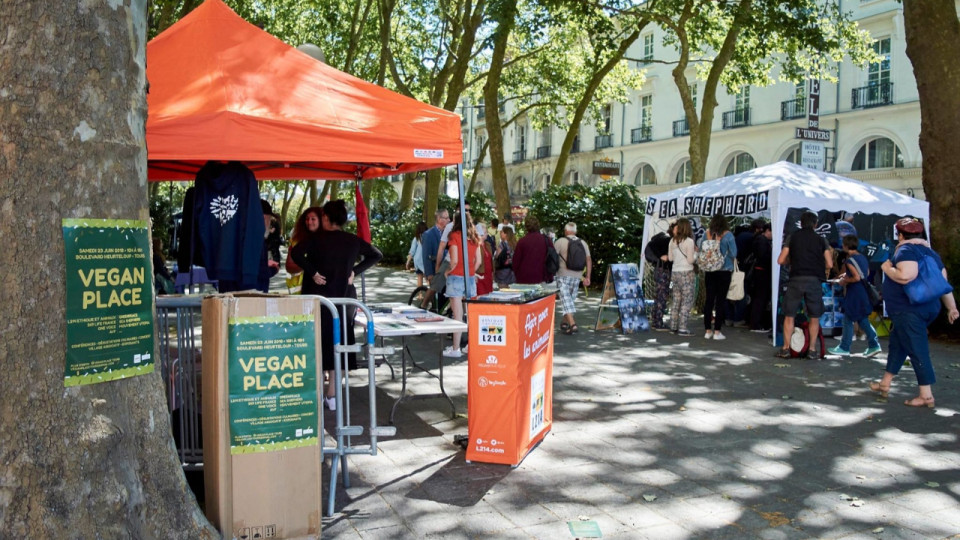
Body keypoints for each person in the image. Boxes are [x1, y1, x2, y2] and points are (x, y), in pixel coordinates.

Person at [290, 200, 383, 411]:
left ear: (325, 218)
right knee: (340, 343)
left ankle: (320, 392)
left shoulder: (316, 239)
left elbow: (296, 254)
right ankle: (333, 394)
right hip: (344, 297)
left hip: (320, 298)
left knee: (319, 343)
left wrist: (312, 271)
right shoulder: (352, 240)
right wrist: (354, 272)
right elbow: (376, 255)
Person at [869, 217, 959, 408]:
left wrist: (888, 268)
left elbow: (905, 275)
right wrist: (952, 307)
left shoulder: (906, 250)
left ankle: (926, 395)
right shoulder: (931, 253)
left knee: (917, 349)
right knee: (898, 343)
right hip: (926, 308)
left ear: (900, 235)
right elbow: (943, 284)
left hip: (908, 310)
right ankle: (885, 383)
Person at [775, 211, 833, 359]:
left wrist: (791, 261)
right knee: (814, 316)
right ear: (816, 224)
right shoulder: (821, 240)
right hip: (814, 280)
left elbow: (780, 260)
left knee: (789, 315)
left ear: (800, 223)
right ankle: (812, 350)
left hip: (796, 279)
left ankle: (786, 349)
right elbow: (830, 264)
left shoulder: (792, 237)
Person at [828, 235, 882, 357]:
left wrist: (844, 281)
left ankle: (844, 347)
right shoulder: (862, 257)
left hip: (855, 292)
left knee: (848, 318)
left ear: (846, 246)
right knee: (862, 319)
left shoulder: (849, 260)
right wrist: (847, 276)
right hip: (863, 291)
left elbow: (856, 277)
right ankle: (873, 344)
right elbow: (865, 273)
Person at [442, 212, 481, 358]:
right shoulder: (474, 237)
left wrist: (447, 271)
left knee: (457, 315)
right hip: (470, 278)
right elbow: (478, 261)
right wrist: (471, 271)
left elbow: (454, 261)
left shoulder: (454, 236)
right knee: (470, 315)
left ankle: (456, 348)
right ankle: (471, 346)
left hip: (456, 278)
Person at [702, 213, 737, 340]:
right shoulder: (728, 236)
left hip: (710, 270)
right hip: (724, 271)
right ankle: (717, 331)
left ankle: (707, 330)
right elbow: (734, 253)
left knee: (709, 300)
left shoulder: (706, 234)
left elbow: (701, 248)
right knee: (720, 301)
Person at [554, 222, 592, 335]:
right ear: (575, 231)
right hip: (577, 276)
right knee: (569, 300)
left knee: (566, 300)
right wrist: (588, 277)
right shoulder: (583, 243)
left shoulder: (560, 241)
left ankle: (573, 324)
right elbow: (589, 260)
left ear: (566, 231)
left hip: (562, 275)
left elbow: (552, 258)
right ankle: (565, 322)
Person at [668, 218, 696, 336]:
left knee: (676, 300)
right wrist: (696, 255)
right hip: (686, 273)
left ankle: (673, 326)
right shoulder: (689, 241)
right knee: (687, 300)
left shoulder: (672, 241)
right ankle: (683, 328)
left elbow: (670, 259)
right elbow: (690, 260)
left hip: (675, 272)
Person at [645, 223, 675, 331]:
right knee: (661, 296)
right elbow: (652, 246)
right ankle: (658, 322)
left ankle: (656, 320)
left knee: (660, 295)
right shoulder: (667, 239)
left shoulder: (665, 238)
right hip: (663, 270)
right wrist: (660, 256)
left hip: (661, 269)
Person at [419, 209, 450, 309]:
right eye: (446, 218)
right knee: (437, 291)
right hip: (434, 268)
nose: (449, 220)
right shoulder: (428, 235)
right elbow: (425, 255)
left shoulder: (448, 233)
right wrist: (429, 274)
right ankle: (424, 304)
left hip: (446, 268)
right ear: (439, 219)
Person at [285, 206, 323, 290]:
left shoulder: (328, 239)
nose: (309, 222)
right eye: (307, 219)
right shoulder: (296, 240)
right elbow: (289, 266)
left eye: (313, 219)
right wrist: (308, 266)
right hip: (299, 288)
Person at [512, 215, 552, 284]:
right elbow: (552, 257)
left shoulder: (522, 241)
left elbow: (516, 261)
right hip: (542, 276)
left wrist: (516, 274)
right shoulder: (546, 240)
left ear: (526, 227)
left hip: (524, 277)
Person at [749, 222, 773, 333]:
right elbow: (763, 256)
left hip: (760, 271)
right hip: (762, 272)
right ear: (767, 231)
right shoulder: (762, 241)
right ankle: (756, 324)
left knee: (759, 298)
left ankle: (756, 323)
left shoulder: (759, 240)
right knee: (760, 298)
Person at [257, 199, 281, 292]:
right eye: (269, 219)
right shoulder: (256, 239)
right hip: (253, 295)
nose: (270, 223)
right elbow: (258, 271)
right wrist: (274, 269)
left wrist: (265, 263)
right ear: (263, 218)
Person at [406, 221, 428, 288]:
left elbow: (412, 251)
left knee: (419, 277)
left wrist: (408, 262)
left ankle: (420, 294)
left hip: (418, 261)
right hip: (426, 260)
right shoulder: (428, 238)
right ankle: (432, 294)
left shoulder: (416, 238)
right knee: (428, 277)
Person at [475, 223, 494, 296]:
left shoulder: (488, 244)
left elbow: (491, 260)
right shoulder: (475, 245)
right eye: (485, 232)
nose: (487, 234)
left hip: (488, 275)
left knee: (489, 295)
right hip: (480, 275)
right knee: (481, 295)